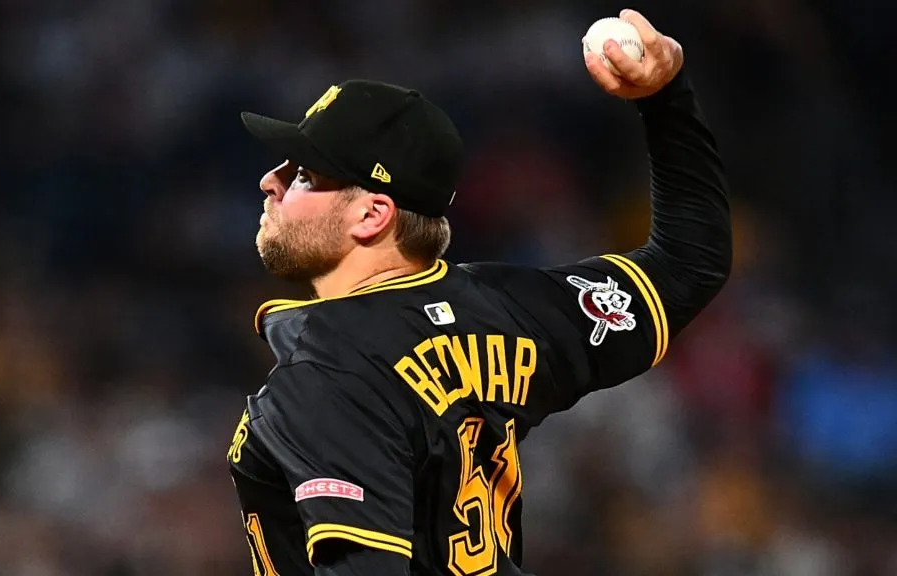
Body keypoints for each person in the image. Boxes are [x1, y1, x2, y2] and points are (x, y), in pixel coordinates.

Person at [226, 9, 731, 576]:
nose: (272, 179)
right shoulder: (504, 309)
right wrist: (666, 100)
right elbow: (692, 261)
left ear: (371, 214)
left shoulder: (328, 372)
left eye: (304, 176)